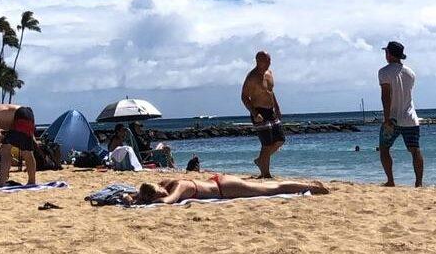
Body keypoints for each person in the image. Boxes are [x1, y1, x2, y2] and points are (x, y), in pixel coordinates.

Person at [378, 41, 424, 188]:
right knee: (415, 150)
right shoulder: (410, 73)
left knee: (384, 148)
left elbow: (386, 97)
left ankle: (390, 180)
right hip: (411, 117)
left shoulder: (384, 72)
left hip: (393, 118)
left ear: (389, 54)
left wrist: (386, 119)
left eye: (386, 52)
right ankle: (419, 183)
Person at [129, 174, 328, 204]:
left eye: (158, 193)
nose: (162, 193)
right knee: (266, 186)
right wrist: (136, 198)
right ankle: (308, 185)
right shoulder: (165, 183)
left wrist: (155, 200)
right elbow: (140, 193)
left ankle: (310, 187)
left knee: (271, 189)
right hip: (219, 181)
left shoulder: (179, 187)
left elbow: (169, 200)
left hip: (225, 188)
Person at [241, 50, 285, 178]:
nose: (269, 63)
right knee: (266, 144)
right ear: (258, 61)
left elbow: (271, 92)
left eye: (270, 60)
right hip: (258, 111)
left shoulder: (269, 73)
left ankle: (261, 160)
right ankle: (265, 173)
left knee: (280, 140)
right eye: (266, 61)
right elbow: (244, 97)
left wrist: (277, 108)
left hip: (271, 111)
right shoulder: (252, 77)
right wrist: (254, 113)